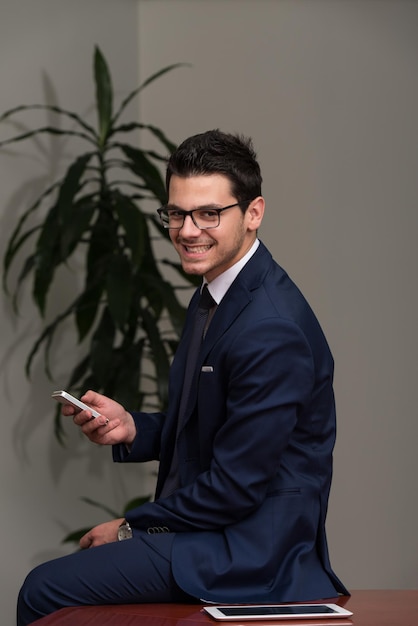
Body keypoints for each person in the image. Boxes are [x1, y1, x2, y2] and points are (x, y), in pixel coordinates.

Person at [17, 129, 348, 625]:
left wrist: (130, 528)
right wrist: (134, 426)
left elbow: (236, 487)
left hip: (249, 552)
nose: (188, 230)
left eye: (209, 213)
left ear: (253, 213)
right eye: (177, 213)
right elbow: (216, 426)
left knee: (43, 590)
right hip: (215, 535)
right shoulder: (215, 290)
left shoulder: (271, 326)